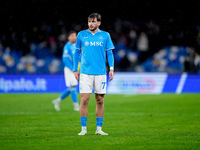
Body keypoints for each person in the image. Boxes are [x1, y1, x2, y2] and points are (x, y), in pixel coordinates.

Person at [73, 13, 115, 135]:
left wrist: (111, 68)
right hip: (85, 72)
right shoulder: (81, 35)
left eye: (93, 21)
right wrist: (75, 69)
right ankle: (83, 129)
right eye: (89, 21)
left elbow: (110, 53)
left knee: (100, 100)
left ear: (99, 23)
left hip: (101, 72)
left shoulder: (105, 35)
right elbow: (76, 54)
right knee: (85, 99)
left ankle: (99, 129)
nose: (91, 24)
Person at [52, 30, 80, 111]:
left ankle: (57, 101)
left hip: (75, 69)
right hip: (69, 69)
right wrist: (72, 68)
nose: (74, 37)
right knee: (73, 86)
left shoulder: (77, 45)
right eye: (72, 36)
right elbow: (65, 59)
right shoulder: (67, 46)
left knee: (71, 88)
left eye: (75, 35)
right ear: (68, 38)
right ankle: (76, 106)